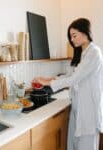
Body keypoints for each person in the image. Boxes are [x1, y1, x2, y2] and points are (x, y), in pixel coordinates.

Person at [33, 18, 103, 150]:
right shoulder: (84, 53)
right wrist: (47, 79)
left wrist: (48, 82)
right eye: (70, 36)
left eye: (74, 35)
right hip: (78, 110)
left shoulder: (94, 53)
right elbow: (71, 75)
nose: (72, 39)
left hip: (88, 113)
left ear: (85, 33)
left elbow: (73, 79)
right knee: (73, 145)